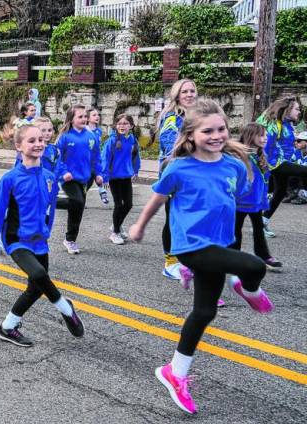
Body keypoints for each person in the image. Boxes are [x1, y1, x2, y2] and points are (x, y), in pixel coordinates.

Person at [130, 100, 273, 415]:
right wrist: (139, 225)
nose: (216, 135)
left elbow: (227, 200)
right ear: (191, 135)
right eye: (207, 131)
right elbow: (157, 197)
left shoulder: (234, 165)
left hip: (219, 244)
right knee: (254, 266)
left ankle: (175, 373)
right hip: (192, 246)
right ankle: (246, 289)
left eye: (221, 128)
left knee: (205, 312)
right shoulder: (179, 168)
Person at [0, 124, 85, 347]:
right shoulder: (9, 179)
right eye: (31, 140)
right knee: (40, 275)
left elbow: (47, 210)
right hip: (16, 240)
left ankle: (7, 327)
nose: (38, 143)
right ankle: (66, 309)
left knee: (36, 288)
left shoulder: (50, 177)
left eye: (41, 139)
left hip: (40, 241)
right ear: (19, 146)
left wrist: (47, 231)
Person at [157, 79, 197, 280]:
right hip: (175, 174)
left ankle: (187, 258)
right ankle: (170, 262)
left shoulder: (198, 116)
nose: (189, 94)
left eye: (192, 91)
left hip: (196, 177)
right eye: (185, 92)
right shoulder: (172, 118)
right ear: (177, 95)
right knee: (173, 218)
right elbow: (169, 146)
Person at [232, 123, 283, 272]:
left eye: (266, 135)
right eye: (261, 135)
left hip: (255, 201)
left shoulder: (261, 154)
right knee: (236, 229)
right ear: (250, 136)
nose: (265, 138)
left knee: (258, 228)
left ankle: (264, 255)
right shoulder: (239, 156)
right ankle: (234, 257)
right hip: (240, 201)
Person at [257, 96, 307, 237]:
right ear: (288, 109)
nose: (299, 112)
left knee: (280, 192)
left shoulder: (287, 124)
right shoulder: (275, 124)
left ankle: (263, 222)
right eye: (297, 109)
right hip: (276, 164)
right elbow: (267, 148)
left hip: (283, 163)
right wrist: (265, 174)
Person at [56, 104, 103, 254]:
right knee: (77, 201)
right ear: (71, 119)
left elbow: (96, 158)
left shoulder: (91, 136)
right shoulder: (65, 137)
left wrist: (99, 174)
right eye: (80, 116)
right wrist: (63, 172)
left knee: (78, 209)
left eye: (85, 116)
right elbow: (57, 158)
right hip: (69, 179)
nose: (84, 119)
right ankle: (48, 201)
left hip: (86, 179)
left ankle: (70, 240)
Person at [101, 113, 141, 245]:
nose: (122, 126)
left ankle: (116, 225)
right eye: (119, 123)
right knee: (118, 205)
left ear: (131, 125)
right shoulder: (111, 141)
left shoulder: (132, 140)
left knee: (128, 204)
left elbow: (136, 156)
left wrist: (135, 170)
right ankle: (115, 233)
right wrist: (105, 177)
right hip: (114, 177)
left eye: (125, 123)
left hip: (126, 177)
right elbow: (105, 159)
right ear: (115, 125)